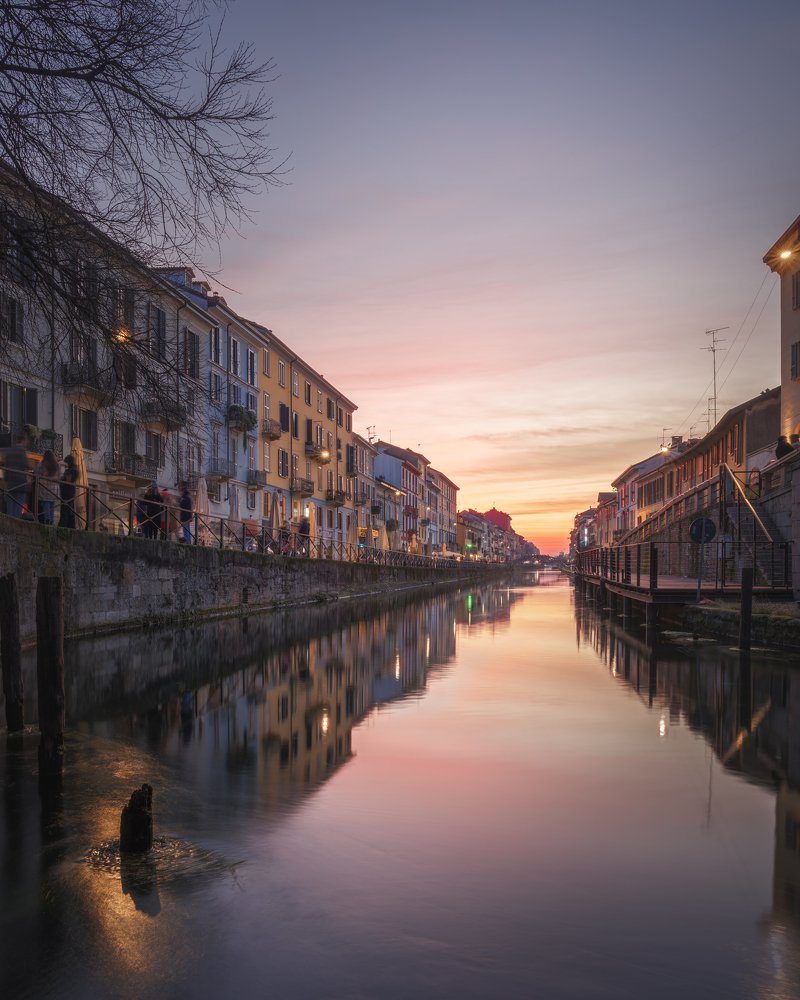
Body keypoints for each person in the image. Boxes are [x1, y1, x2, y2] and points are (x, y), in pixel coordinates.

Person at [3, 432, 30, 518]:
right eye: (26, 440)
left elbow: (6, 466)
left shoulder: (9, 451)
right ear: (23, 440)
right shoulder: (22, 451)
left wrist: (6, 481)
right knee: (18, 506)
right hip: (21, 483)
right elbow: (25, 465)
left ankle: (10, 523)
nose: (27, 442)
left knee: (10, 505)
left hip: (11, 483)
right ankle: (17, 524)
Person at [36, 449, 61, 525]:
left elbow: (37, 473)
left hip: (45, 487)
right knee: (51, 505)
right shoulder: (57, 465)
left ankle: (48, 520)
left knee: (45, 503)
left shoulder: (42, 464)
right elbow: (59, 477)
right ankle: (51, 521)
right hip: (54, 489)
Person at [59, 453, 79, 528]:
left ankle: (63, 525)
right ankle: (70, 525)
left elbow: (68, 479)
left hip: (67, 492)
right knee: (69, 510)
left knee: (65, 509)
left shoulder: (71, 470)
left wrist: (62, 477)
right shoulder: (75, 469)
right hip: (70, 492)